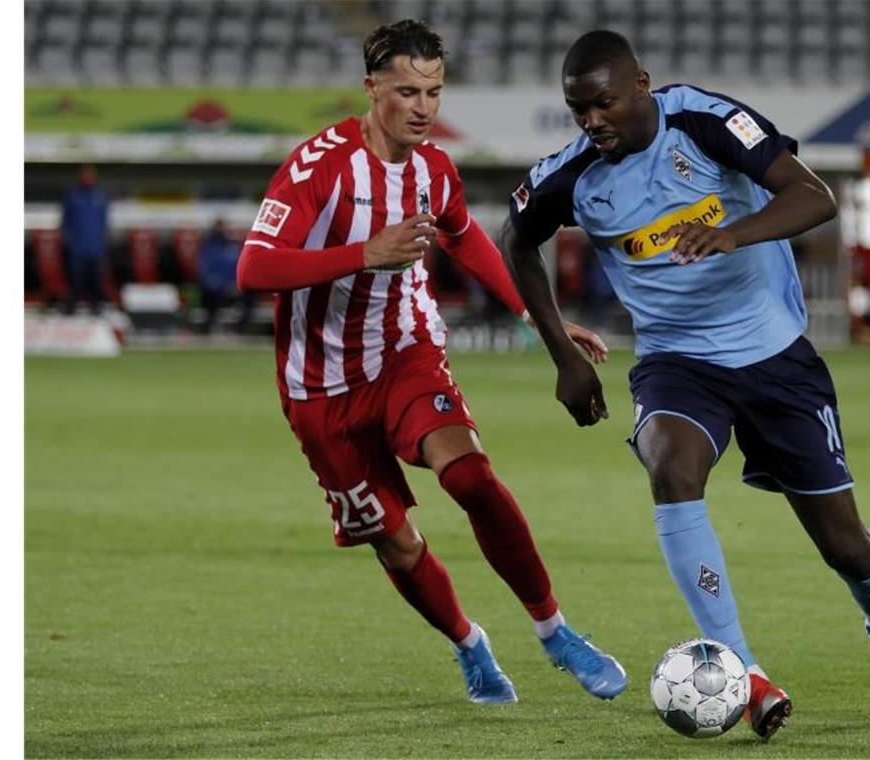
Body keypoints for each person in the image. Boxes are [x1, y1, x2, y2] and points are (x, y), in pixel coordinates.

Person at [500, 30, 870, 739]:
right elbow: (517, 240)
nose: (592, 122)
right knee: (671, 462)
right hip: (677, 363)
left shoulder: (706, 121)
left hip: (776, 358)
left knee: (846, 545)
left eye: (603, 104)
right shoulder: (570, 175)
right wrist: (562, 355)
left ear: (641, 84)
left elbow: (813, 198)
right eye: (578, 110)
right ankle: (746, 673)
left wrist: (737, 232)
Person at [235, 20, 626, 706]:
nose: (423, 107)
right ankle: (470, 644)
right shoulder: (317, 166)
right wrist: (364, 253)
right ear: (372, 89)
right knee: (398, 544)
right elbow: (253, 268)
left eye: (435, 92)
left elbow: (466, 237)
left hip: (405, 351)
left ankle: (555, 632)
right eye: (409, 92)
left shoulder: (434, 169)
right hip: (319, 388)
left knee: (470, 474)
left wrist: (543, 320)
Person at [61, 164, 109, 315]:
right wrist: (68, 238)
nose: (87, 178)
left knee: (95, 277)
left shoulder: (100, 196)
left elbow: (104, 220)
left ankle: (96, 306)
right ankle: (73, 304)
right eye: (84, 175)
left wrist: (101, 239)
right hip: (77, 245)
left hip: (95, 244)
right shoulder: (72, 195)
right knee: (76, 277)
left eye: (90, 175)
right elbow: (66, 219)